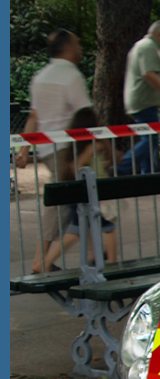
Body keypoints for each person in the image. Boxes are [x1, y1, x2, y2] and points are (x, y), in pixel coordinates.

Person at [14, 29, 93, 273]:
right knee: (62, 205)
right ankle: (41, 260)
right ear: (67, 48)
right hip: (67, 149)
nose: (80, 48)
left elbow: (35, 116)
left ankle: (93, 252)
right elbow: (85, 114)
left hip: (47, 149)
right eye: (78, 43)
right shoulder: (71, 76)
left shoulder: (40, 77)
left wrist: (25, 149)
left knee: (76, 201)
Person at [46, 106, 120, 272]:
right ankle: (114, 265)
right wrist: (89, 179)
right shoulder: (94, 145)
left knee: (77, 228)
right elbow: (78, 165)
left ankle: (93, 258)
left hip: (81, 190)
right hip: (91, 192)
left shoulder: (78, 145)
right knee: (107, 227)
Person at [116, 20, 160, 176]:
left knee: (149, 138)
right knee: (151, 139)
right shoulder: (148, 47)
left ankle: (149, 174)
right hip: (144, 102)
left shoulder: (146, 46)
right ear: (159, 34)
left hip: (143, 101)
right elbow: (149, 74)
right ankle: (122, 168)